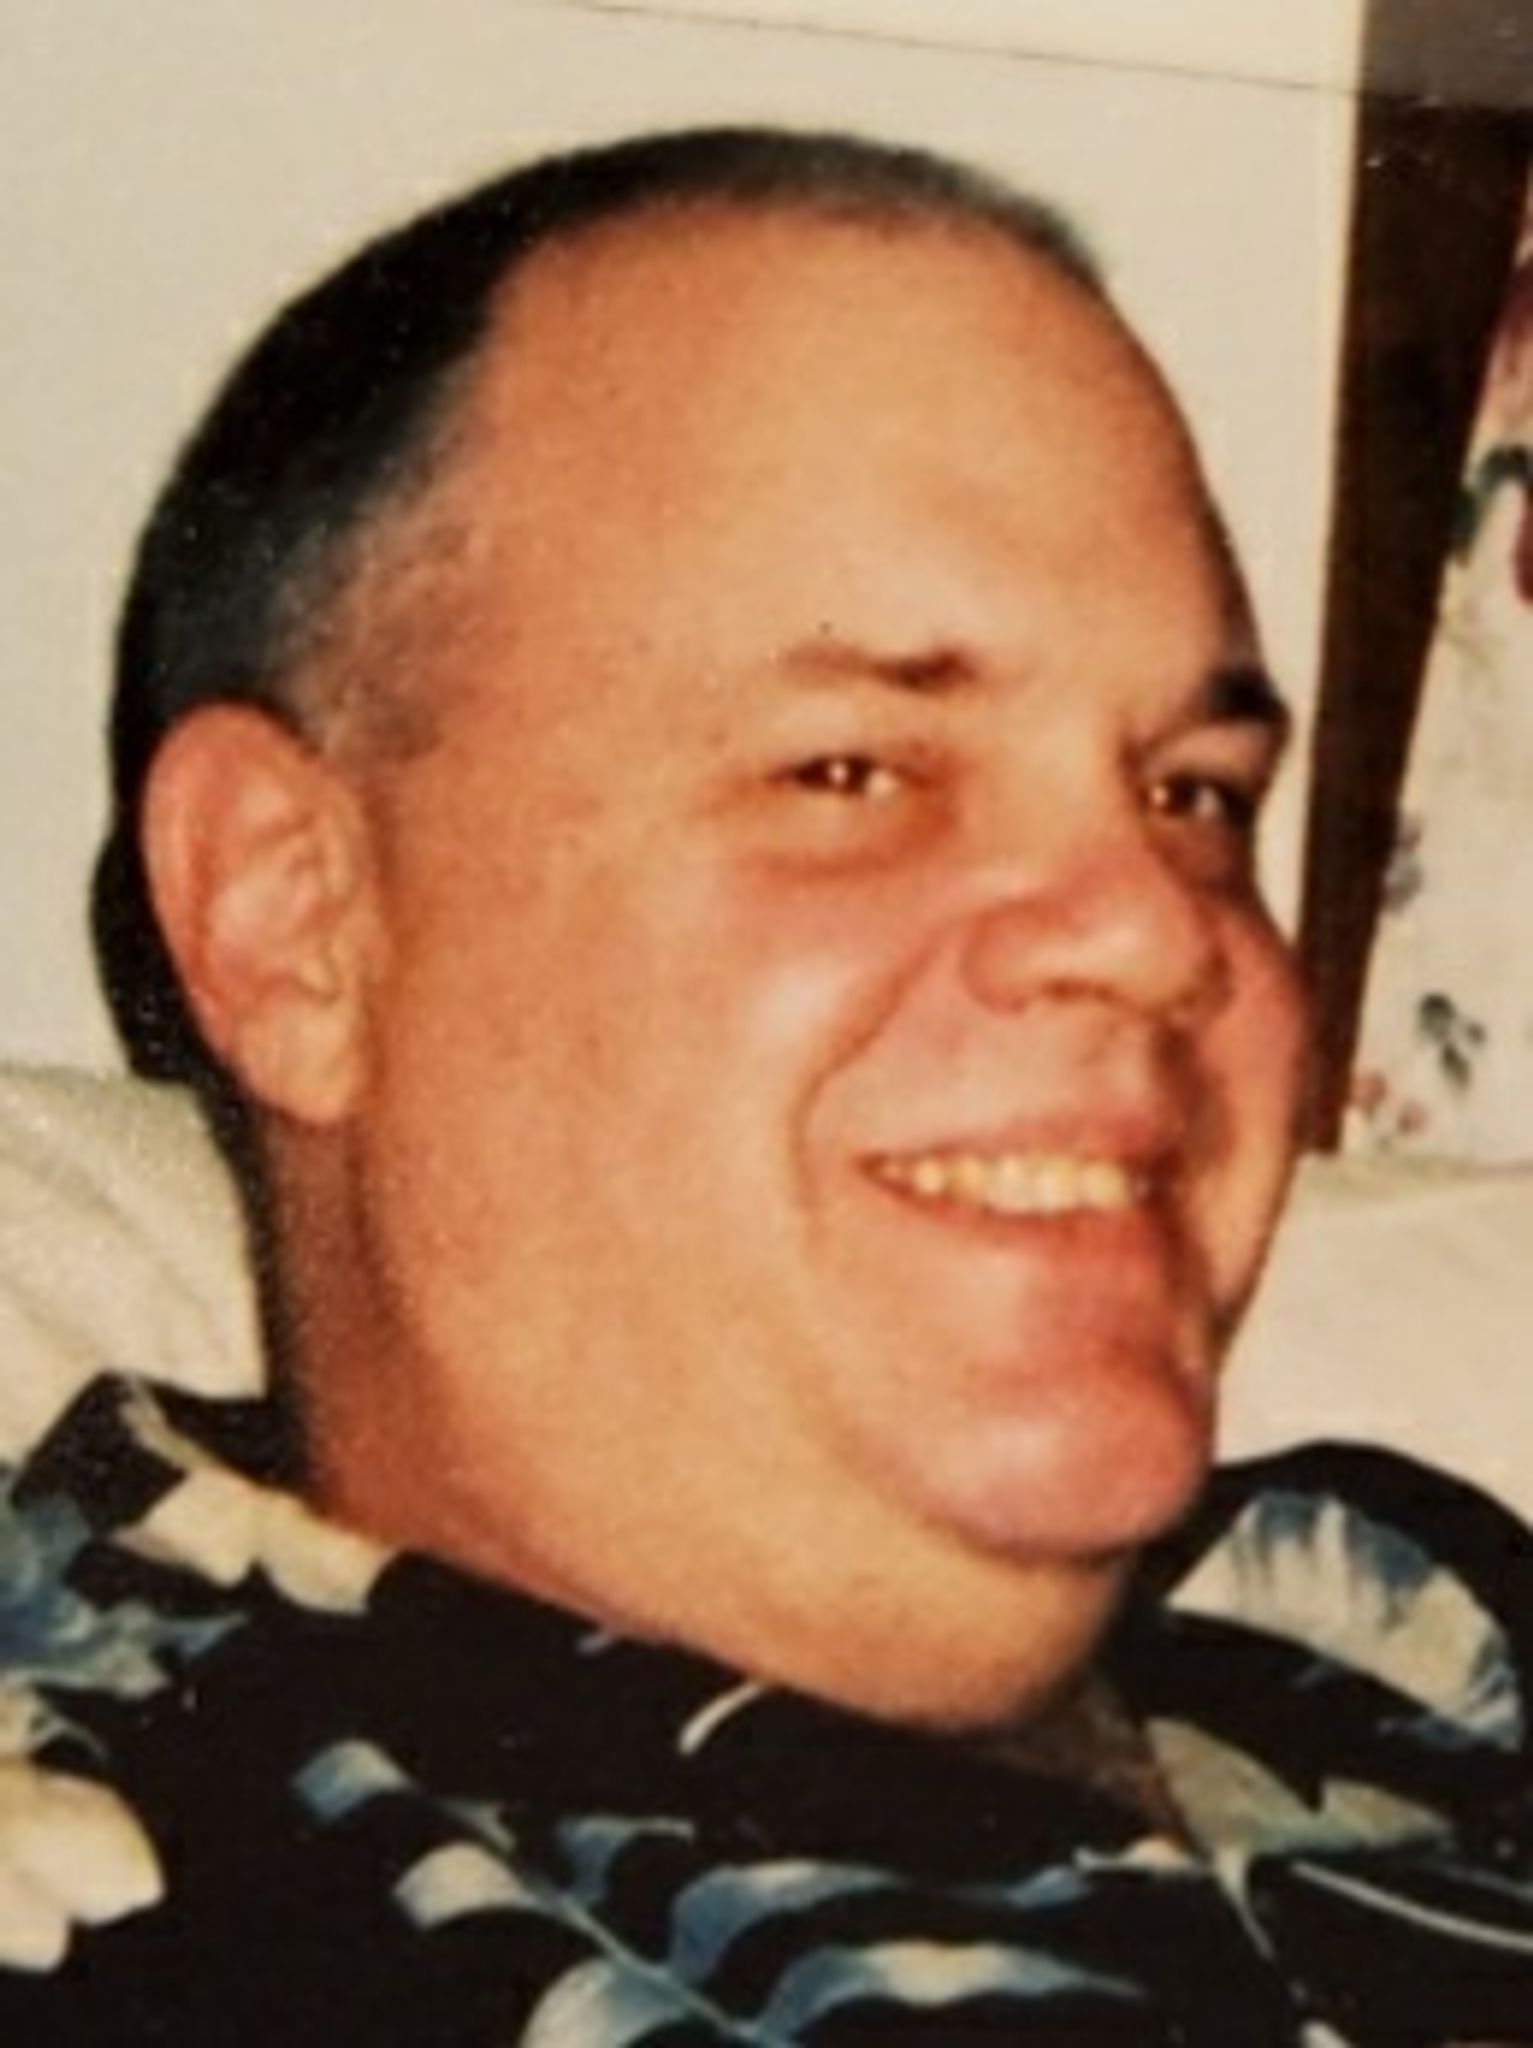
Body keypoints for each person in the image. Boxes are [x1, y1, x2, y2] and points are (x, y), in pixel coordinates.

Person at [2, 127, 1529, 2041]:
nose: (1161, 929)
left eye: (1192, 792)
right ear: (294, 918)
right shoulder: (146, 1902)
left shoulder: (1389, 1610)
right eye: (852, 773)